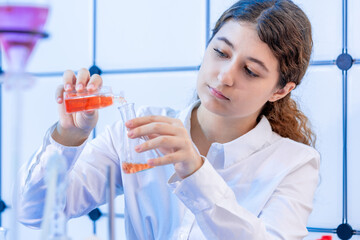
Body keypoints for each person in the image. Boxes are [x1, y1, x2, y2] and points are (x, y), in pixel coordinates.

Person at [18, 0, 320, 239]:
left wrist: (196, 172)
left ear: (281, 90)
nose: (225, 76)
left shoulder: (295, 163)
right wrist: (68, 136)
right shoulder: (138, 130)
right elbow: (34, 213)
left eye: (250, 71)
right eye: (220, 52)